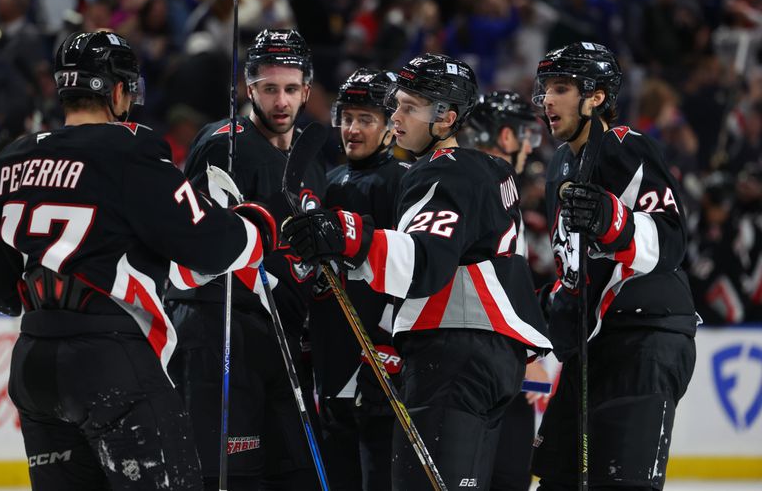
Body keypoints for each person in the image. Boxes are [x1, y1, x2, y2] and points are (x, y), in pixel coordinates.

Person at [0, 31, 277, 490]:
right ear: (117, 90)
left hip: (33, 366)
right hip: (110, 363)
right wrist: (257, 227)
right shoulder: (129, 150)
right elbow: (208, 244)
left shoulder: (12, 160)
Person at [282, 53, 552, 490]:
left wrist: (348, 234)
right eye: (397, 104)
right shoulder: (492, 170)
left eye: (410, 107)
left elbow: (423, 263)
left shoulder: (444, 172)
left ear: (446, 118)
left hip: (455, 354)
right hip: (492, 358)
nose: (397, 116)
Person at [529, 41, 698, 490]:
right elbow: (574, 270)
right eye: (546, 88)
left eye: (561, 87)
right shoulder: (561, 164)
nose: (548, 99)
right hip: (595, 345)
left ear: (596, 96)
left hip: (646, 335)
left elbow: (670, 238)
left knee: (623, 484)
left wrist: (611, 218)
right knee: (557, 480)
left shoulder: (627, 146)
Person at [164, 28, 326, 491]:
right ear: (248, 88)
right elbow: (195, 249)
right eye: (269, 88)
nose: (281, 101)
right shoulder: (223, 143)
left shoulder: (311, 154)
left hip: (282, 340)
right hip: (220, 330)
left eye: (291, 89)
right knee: (231, 478)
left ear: (307, 90)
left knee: (297, 474)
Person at [310, 68, 408, 490]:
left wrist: (389, 344)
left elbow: (410, 270)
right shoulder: (328, 181)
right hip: (332, 352)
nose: (352, 129)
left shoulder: (403, 182)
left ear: (391, 126)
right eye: (347, 117)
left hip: (376, 355)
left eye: (366, 119)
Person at [465, 90, 550, 491]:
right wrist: (526, 351)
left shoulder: (488, 183)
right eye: (525, 134)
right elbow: (495, 276)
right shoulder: (486, 183)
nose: (530, 145)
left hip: (490, 354)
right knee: (503, 476)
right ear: (504, 136)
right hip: (487, 358)